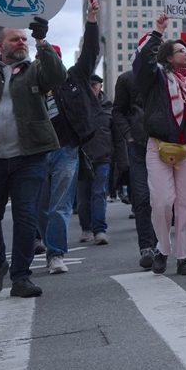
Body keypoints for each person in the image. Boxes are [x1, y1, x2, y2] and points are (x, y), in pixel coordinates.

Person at [0, 19, 67, 298]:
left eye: (24, 39)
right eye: (15, 39)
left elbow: (58, 76)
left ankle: (21, 276)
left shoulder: (36, 69)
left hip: (28, 157)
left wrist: (42, 42)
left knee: (26, 217)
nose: (21, 43)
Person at [134, 13, 186, 276]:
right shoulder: (155, 78)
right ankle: (162, 249)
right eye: (180, 51)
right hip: (159, 147)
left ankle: (185, 257)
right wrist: (157, 32)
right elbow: (143, 62)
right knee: (162, 201)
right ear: (168, 57)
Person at [39, 0, 104, 275]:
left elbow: (91, 50)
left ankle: (55, 253)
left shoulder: (74, 77)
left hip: (66, 149)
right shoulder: (31, 83)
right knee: (40, 207)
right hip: (36, 152)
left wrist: (91, 20)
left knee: (60, 205)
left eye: (52, 59)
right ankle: (46, 242)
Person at [113, 37, 159, 269]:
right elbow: (117, 110)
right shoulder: (126, 79)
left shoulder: (166, 76)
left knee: (163, 198)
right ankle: (147, 247)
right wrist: (129, 135)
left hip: (165, 145)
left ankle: (162, 245)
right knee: (142, 197)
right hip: (139, 146)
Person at [76, 74, 124, 245]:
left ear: (100, 86)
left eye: (94, 85)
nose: (91, 88)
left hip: (103, 157)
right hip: (82, 158)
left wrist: (122, 160)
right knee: (83, 197)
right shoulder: (77, 106)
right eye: (88, 85)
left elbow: (118, 137)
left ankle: (99, 230)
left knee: (99, 194)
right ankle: (86, 228)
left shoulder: (109, 108)